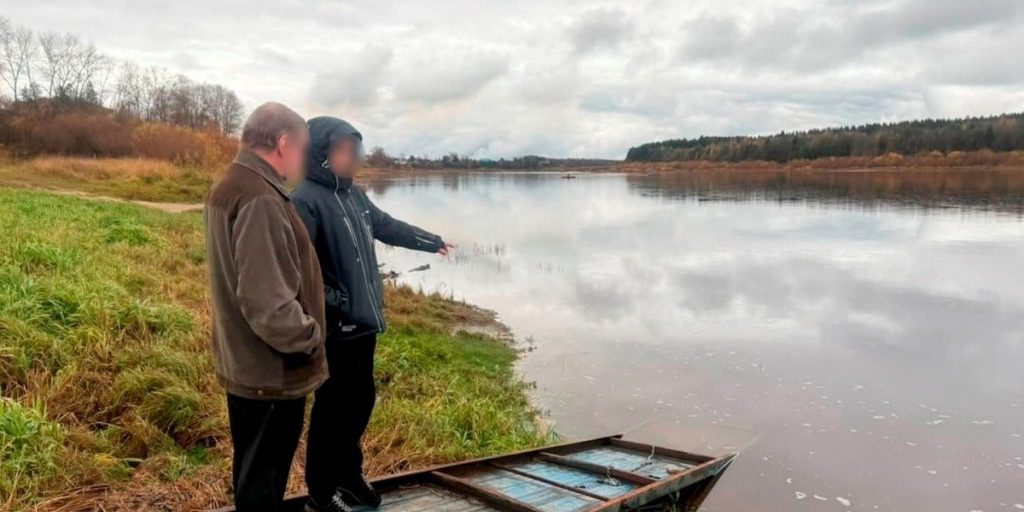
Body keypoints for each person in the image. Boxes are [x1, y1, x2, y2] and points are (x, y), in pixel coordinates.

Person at [293, 116, 453, 511]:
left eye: (356, 149)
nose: (355, 158)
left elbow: (387, 226)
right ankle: (320, 492)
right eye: (347, 150)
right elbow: (300, 273)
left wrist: (431, 242)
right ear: (323, 153)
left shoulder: (355, 196)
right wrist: (341, 303)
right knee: (332, 411)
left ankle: (348, 476)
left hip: (363, 328)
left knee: (360, 402)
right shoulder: (305, 201)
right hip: (335, 331)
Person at [204, 102, 326, 512]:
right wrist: (310, 338)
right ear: (283, 142)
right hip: (271, 373)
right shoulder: (261, 198)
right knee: (262, 487)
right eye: (302, 149)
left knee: (254, 478)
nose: (304, 159)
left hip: (249, 366)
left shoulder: (233, 184)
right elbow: (267, 303)